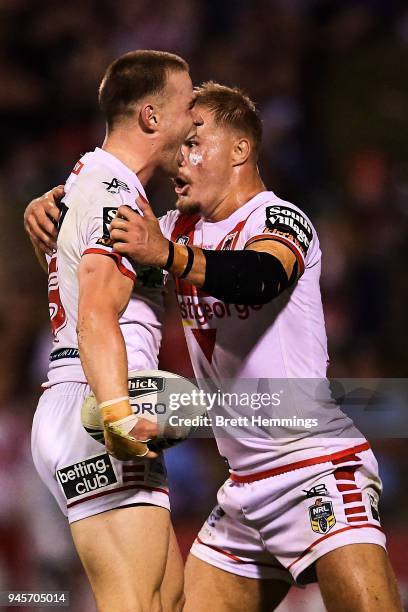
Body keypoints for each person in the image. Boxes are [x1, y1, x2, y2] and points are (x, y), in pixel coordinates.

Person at [25, 83, 402, 611]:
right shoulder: (172, 229)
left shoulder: (278, 218)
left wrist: (169, 256)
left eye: (194, 145)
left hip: (316, 464)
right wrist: (50, 209)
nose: (179, 160)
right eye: (178, 146)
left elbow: (260, 275)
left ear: (240, 151)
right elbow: (100, 236)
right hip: (244, 490)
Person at [26, 50, 202, 612]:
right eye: (187, 103)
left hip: (86, 397)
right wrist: (118, 414)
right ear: (151, 117)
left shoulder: (92, 180)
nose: (195, 117)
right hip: (96, 403)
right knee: (134, 602)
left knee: (167, 598)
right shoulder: (112, 194)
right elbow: (96, 314)